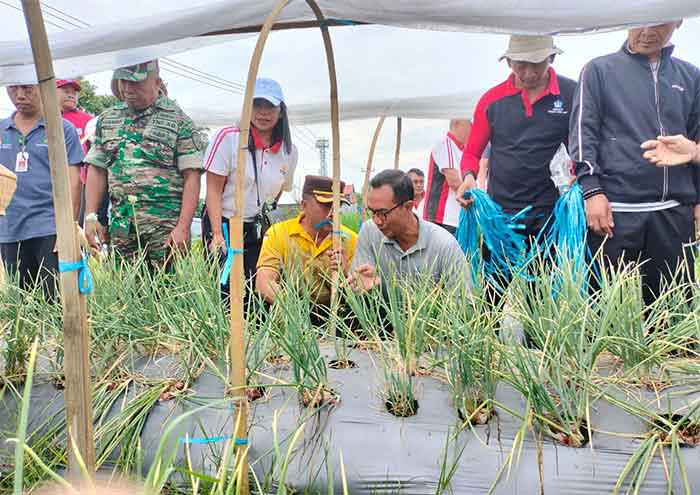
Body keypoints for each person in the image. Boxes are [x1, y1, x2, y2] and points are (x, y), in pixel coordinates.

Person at [569, 21, 700, 306]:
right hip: (616, 214)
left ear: (678, 20)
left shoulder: (691, 76)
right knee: (608, 313)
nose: (647, 32)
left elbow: (696, 141)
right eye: (640, 22)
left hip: (674, 216)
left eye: (659, 23)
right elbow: (583, 133)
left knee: (671, 311)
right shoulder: (599, 71)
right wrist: (592, 191)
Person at [456, 35, 576, 300]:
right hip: (500, 215)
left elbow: (580, 148)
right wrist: (468, 177)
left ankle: (539, 342)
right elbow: (472, 152)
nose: (528, 72)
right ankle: (485, 340)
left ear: (552, 58)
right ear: (509, 61)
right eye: (520, 64)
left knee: (541, 296)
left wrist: (578, 187)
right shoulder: (492, 100)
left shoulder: (570, 94)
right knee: (491, 295)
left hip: (548, 215)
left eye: (537, 64)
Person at [84, 60, 205, 266]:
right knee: (124, 294)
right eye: (123, 81)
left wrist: (184, 227)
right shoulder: (108, 119)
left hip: (165, 232)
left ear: (157, 82)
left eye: (136, 83)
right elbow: (97, 169)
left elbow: (192, 177)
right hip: (123, 229)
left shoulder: (178, 121)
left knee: (167, 293)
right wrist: (91, 217)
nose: (128, 89)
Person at [203, 77, 298, 298]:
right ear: (248, 107)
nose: (263, 113)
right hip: (224, 222)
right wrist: (217, 234)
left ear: (281, 111)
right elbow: (213, 191)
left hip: (256, 226)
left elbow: (281, 190)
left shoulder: (289, 151)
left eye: (270, 107)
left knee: (258, 286)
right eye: (257, 105)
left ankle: (254, 332)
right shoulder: (228, 138)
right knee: (226, 289)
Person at [0, 84, 84, 298]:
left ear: (42, 87)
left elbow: (73, 182)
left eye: (28, 88)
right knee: (20, 303)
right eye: (13, 88)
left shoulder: (62, 129)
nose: (20, 95)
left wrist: (68, 229)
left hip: (49, 228)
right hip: (10, 229)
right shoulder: (1, 130)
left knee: (56, 300)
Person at [349, 169, 471, 292]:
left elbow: (465, 304)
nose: (377, 221)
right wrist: (366, 290)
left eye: (382, 213)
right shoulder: (369, 231)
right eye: (372, 212)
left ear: (408, 207)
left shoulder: (443, 245)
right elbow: (359, 288)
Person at [256, 175, 357, 307]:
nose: (333, 213)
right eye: (326, 205)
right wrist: (296, 312)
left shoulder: (350, 239)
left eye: (338, 206)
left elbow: (359, 288)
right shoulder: (279, 233)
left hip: (334, 313)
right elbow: (263, 283)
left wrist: (343, 273)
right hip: (290, 310)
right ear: (304, 205)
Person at [424, 119, 471, 234]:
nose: (472, 129)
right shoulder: (445, 143)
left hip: (456, 218)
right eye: (470, 124)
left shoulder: (463, 150)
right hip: (442, 218)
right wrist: (479, 198)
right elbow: (454, 181)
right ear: (456, 123)